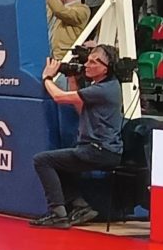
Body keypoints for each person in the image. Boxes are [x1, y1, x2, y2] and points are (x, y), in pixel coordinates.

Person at [30, 41, 127, 229]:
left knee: (42, 160)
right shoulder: (104, 86)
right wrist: (73, 79)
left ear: (107, 68)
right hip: (100, 149)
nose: (87, 65)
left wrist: (47, 77)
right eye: (88, 60)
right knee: (60, 163)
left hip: (99, 151)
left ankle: (57, 213)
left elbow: (59, 97)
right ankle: (80, 206)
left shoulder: (104, 89)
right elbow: (80, 108)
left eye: (94, 62)